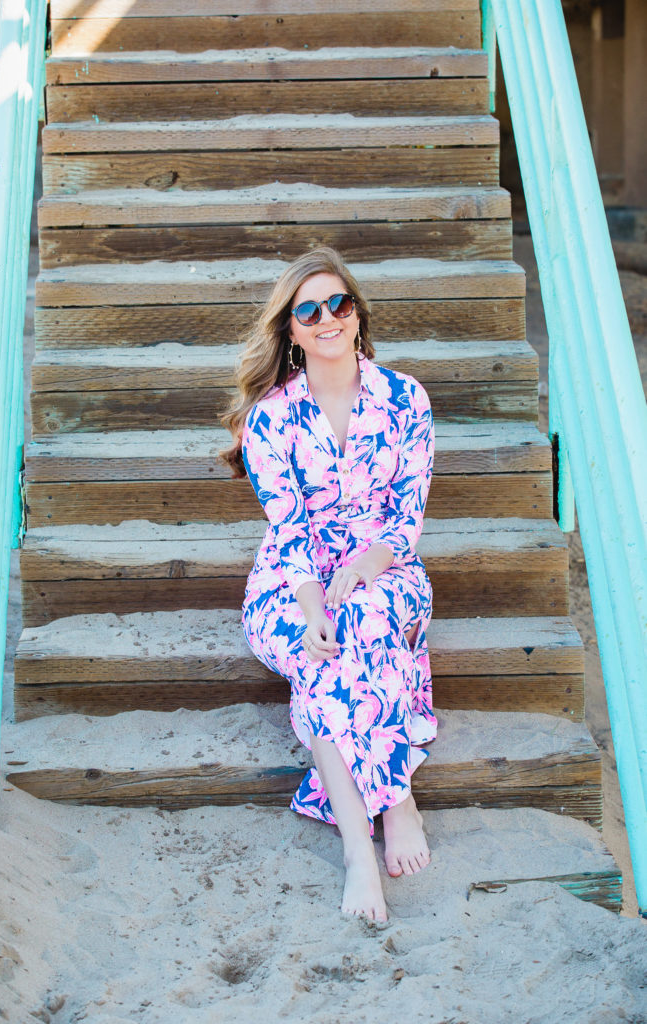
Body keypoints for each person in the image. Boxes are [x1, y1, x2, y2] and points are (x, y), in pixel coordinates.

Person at [219, 247, 437, 923]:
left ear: (357, 313)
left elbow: (405, 519)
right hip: (291, 580)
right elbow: (287, 532)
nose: (326, 318)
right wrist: (313, 607)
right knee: (326, 649)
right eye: (307, 310)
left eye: (337, 303)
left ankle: (385, 814)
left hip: (386, 568)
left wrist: (364, 569)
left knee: (364, 621)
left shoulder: (405, 398)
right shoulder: (271, 417)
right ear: (290, 329)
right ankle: (369, 840)